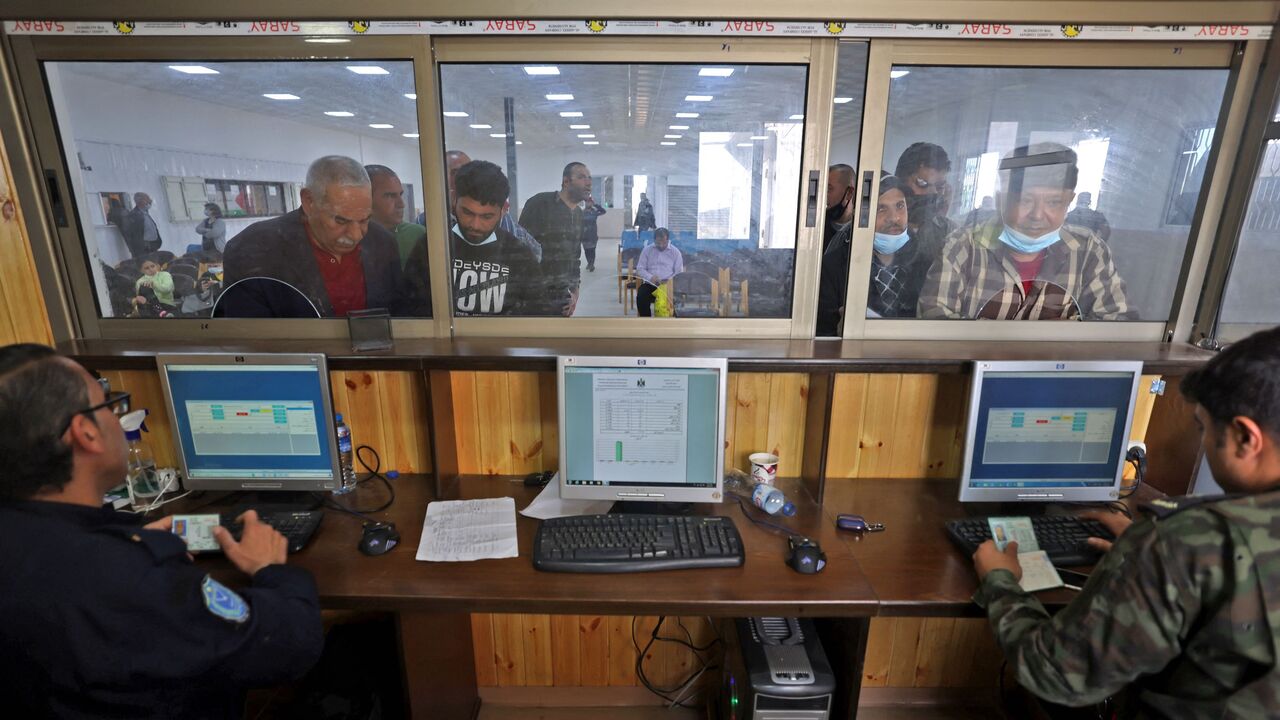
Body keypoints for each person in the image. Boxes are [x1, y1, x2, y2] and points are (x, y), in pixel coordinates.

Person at [972, 325, 1280, 718]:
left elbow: (1055, 673)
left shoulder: (1184, 541)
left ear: (1245, 437)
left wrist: (1000, 581)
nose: (1197, 441)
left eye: (1203, 427)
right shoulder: (1183, 544)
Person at [0, 344, 323, 717]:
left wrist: (124, 539)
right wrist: (273, 570)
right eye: (108, 405)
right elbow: (289, 645)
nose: (115, 416)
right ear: (86, 433)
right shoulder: (130, 579)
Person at [917, 143, 1135, 321]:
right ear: (1002, 200)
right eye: (1025, 200)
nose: (1038, 215)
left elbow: (1117, 323)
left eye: (1054, 202)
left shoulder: (1088, 251)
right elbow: (935, 318)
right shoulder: (964, 246)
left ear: (1069, 201)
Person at [222, 155, 423, 318]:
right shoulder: (254, 251)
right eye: (341, 221)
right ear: (309, 201)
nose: (355, 235)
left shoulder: (382, 243)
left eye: (364, 220)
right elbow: (247, 341)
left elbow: (399, 314)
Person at [818, 176, 928, 335]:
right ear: (861, 217)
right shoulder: (834, 267)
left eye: (899, 206)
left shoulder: (924, 263)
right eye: (881, 209)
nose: (894, 218)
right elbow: (821, 334)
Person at [448, 160, 546, 316]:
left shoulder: (519, 255)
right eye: (467, 213)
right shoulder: (432, 248)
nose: (475, 225)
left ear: (503, 210)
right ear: (454, 201)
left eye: (487, 216)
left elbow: (537, 314)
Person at [520, 162, 592, 316]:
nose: (588, 182)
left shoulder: (579, 214)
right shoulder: (539, 204)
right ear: (566, 181)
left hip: (561, 296)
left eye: (589, 178)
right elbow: (519, 247)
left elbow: (575, 256)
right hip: (533, 295)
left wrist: (574, 292)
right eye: (581, 177)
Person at [446, 150, 541, 262]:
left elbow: (534, 254)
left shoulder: (502, 220)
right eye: (454, 173)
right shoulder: (429, 220)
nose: (476, 224)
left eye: (486, 217)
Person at [895, 142, 955, 259]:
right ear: (900, 182)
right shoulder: (882, 227)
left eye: (939, 186)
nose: (932, 193)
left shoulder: (950, 234)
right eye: (922, 183)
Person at [364, 164, 427, 270]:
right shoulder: (355, 237)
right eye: (390, 196)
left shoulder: (416, 235)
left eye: (400, 195)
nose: (401, 204)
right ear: (366, 198)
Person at [634, 227, 683, 317]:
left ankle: (672, 320)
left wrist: (669, 280)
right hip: (651, 284)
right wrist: (650, 277)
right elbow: (640, 269)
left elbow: (679, 272)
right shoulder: (647, 250)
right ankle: (646, 321)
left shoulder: (675, 252)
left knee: (678, 298)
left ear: (668, 240)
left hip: (669, 285)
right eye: (658, 243)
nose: (661, 245)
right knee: (641, 295)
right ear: (654, 240)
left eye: (664, 243)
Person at [824, 164, 856, 253]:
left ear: (849, 193)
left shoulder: (860, 230)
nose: (822, 195)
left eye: (829, 189)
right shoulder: (817, 226)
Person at [122, 192, 162, 258]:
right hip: (144, 249)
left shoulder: (145, 213)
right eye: (148, 199)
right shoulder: (134, 215)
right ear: (141, 201)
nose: (150, 201)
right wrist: (137, 250)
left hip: (152, 246)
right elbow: (131, 235)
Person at [581, 193, 607, 272]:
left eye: (589, 202)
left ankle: (591, 264)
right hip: (584, 234)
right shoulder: (582, 212)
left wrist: (595, 205)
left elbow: (603, 211)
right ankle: (589, 262)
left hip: (593, 234)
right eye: (587, 202)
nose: (588, 203)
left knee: (592, 250)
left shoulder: (594, 212)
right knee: (586, 250)